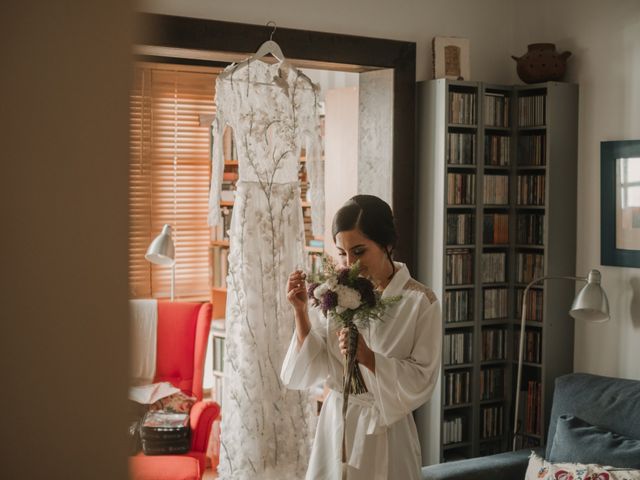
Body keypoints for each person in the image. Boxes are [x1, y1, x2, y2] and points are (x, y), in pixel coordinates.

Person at [281, 194, 442, 480]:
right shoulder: (337, 293)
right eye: (342, 253)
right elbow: (314, 365)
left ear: (387, 244)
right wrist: (301, 313)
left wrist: (369, 358)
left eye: (359, 251)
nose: (349, 264)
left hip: (386, 432)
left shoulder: (420, 302)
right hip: (336, 425)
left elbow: (422, 378)